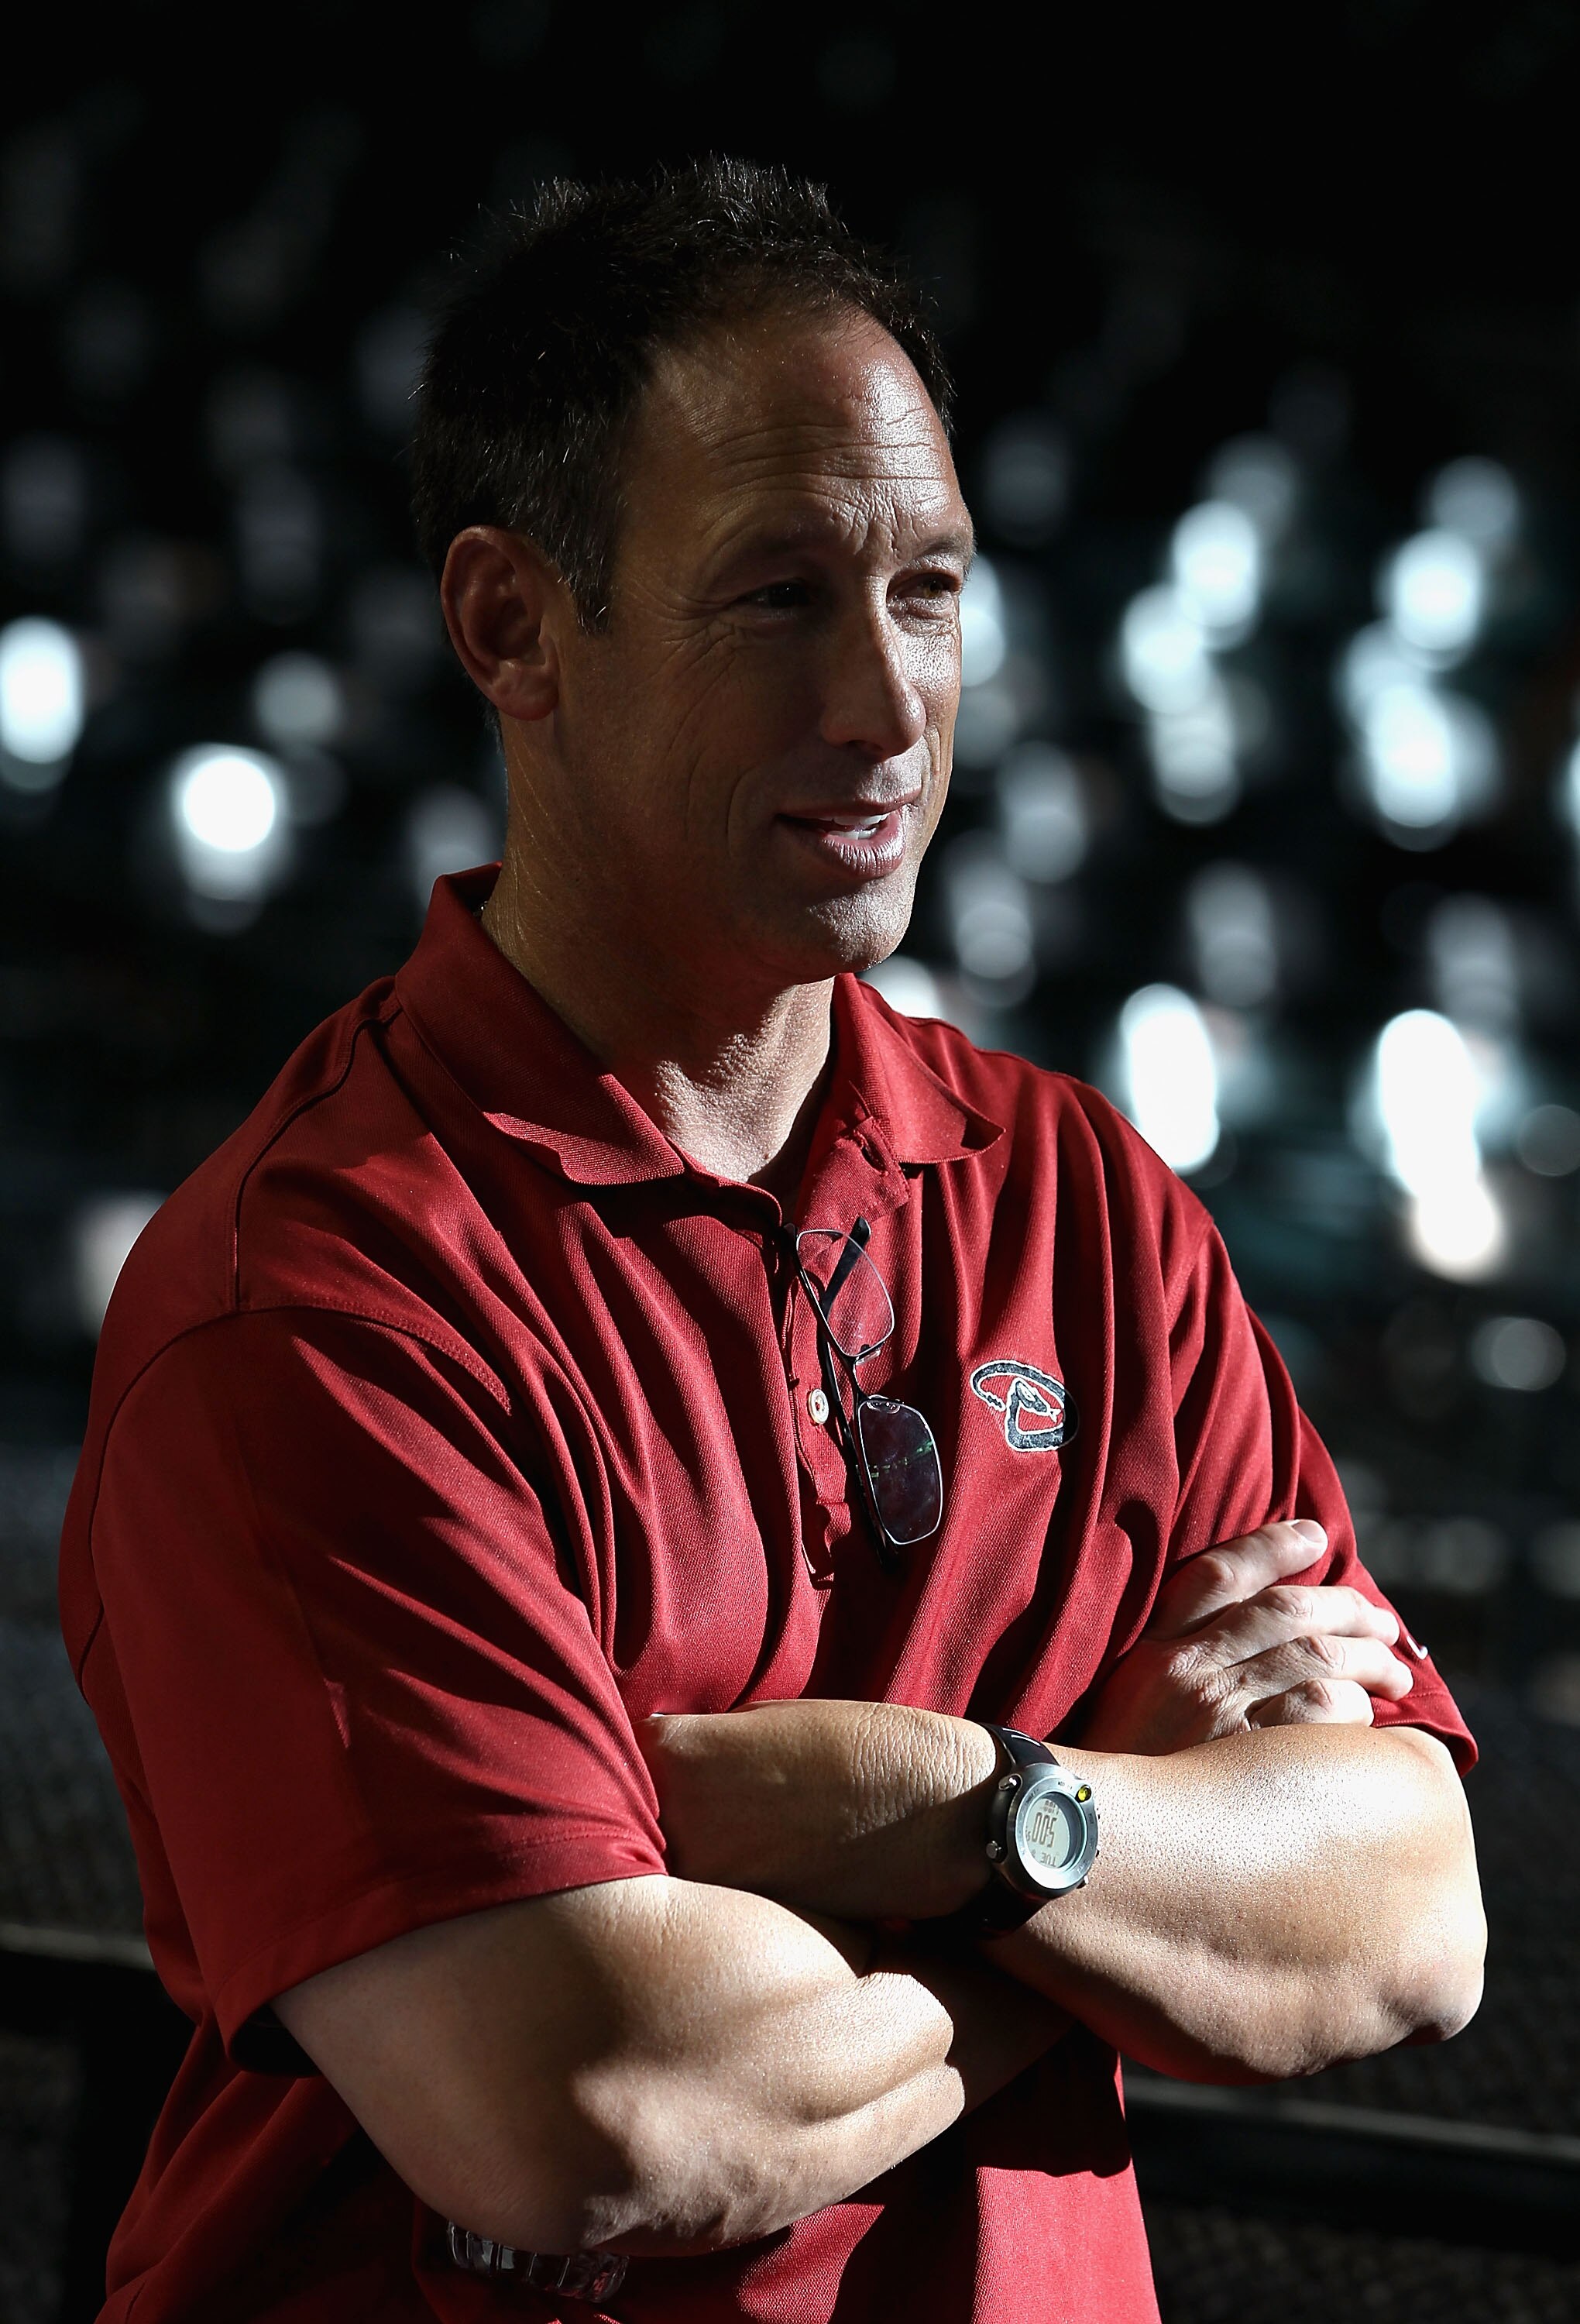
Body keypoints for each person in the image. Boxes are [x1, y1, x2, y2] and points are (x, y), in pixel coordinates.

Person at [60, 161, 1484, 2324]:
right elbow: (593, 2115)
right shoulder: (316, 1301)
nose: (888, 704)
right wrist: (1098, 1888)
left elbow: (1404, 1919)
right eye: (778, 598)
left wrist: (939, 1807)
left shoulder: (1085, 1202)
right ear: (512, 629)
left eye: (930, 593)